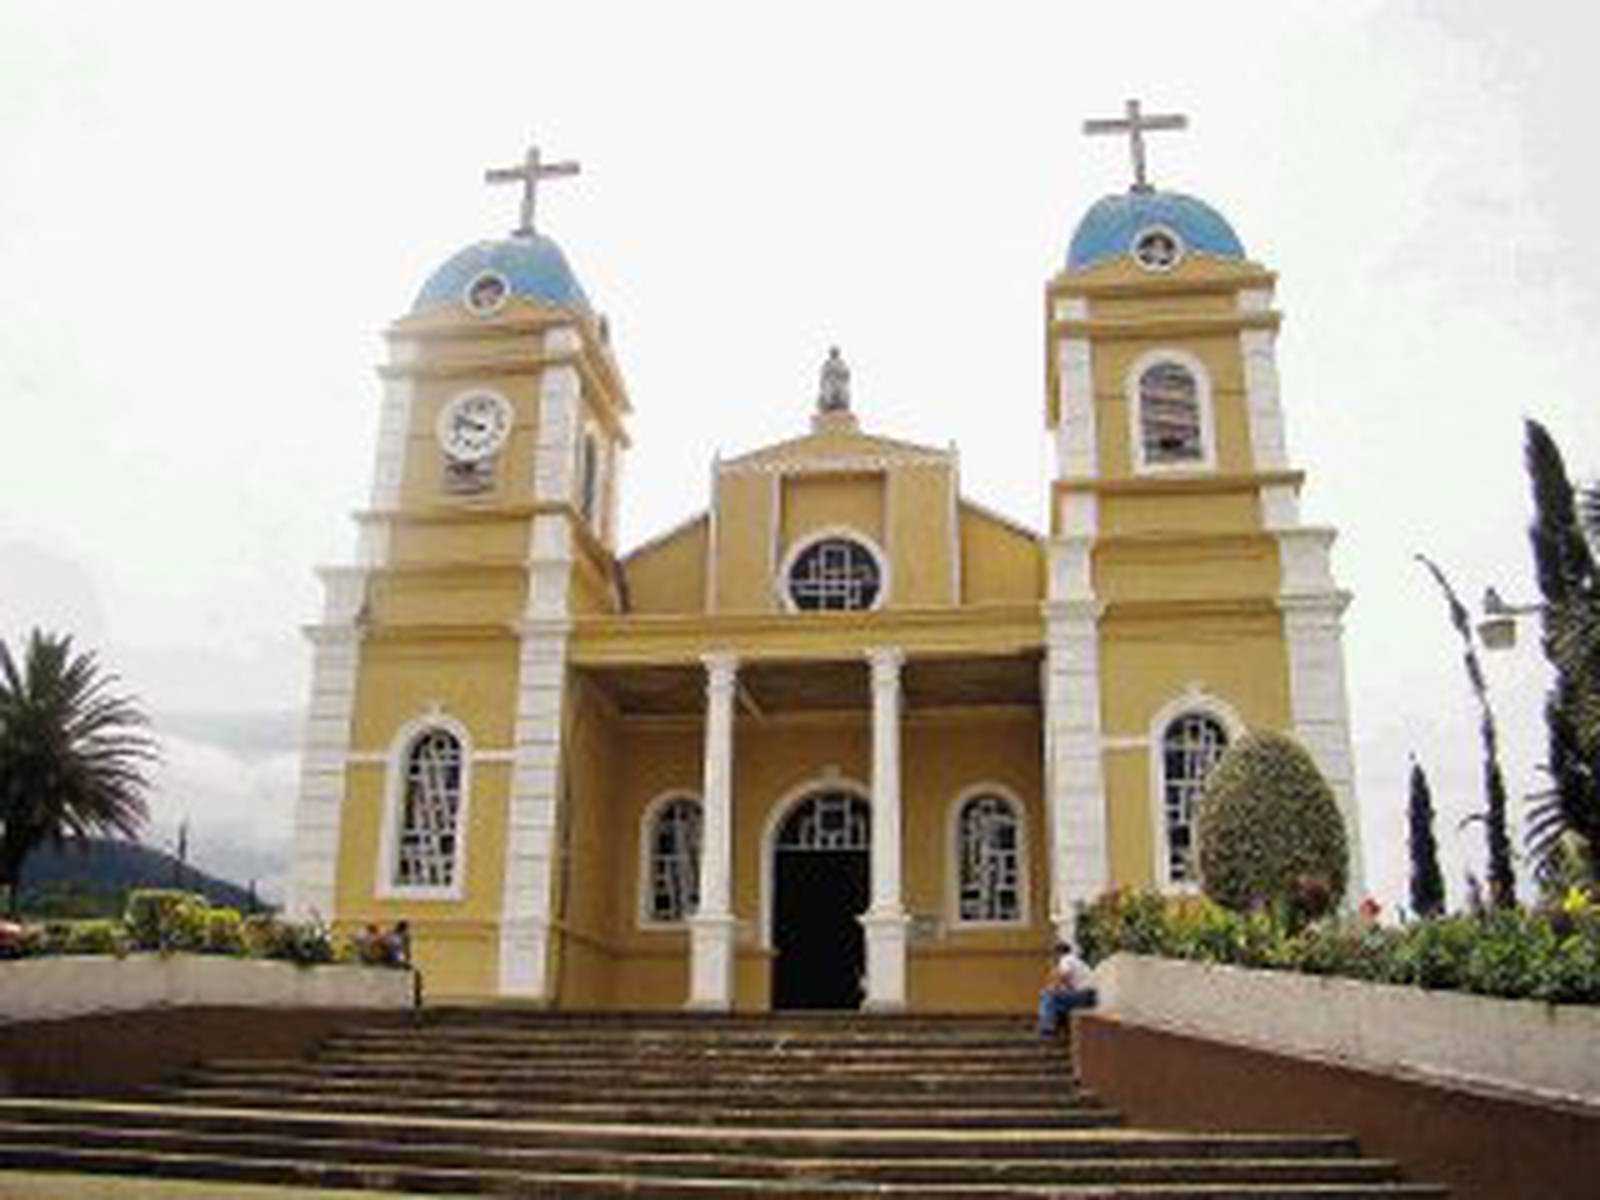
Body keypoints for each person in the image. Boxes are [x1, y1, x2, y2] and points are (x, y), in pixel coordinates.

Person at [1038, 939, 1097, 1037]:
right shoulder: (1077, 961)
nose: (1053, 957)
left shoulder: (1066, 959)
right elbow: (1065, 986)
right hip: (1089, 996)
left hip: (1083, 994)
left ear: (1059, 952)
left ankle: (1047, 1028)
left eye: (1053, 954)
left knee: (1047, 995)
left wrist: (1052, 987)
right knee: (1057, 1004)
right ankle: (1061, 1032)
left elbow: (1063, 975)